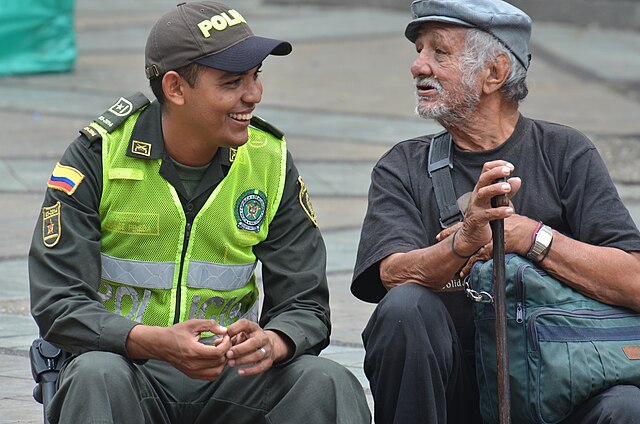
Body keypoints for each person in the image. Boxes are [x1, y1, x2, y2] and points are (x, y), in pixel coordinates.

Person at [29, 2, 371, 423]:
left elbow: (306, 304)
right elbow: (58, 303)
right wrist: (153, 341)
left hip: (231, 376)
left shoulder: (269, 160)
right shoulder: (98, 156)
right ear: (175, 88)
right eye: (232, 82)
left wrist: (274, 341)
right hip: (128, 368)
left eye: (256, 76)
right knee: (93, 373)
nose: (254, 95)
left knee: (327, 382)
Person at [351, 0, 640, 423]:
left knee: (626, 407)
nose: (418, 66)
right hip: (451, 395)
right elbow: (390, 274)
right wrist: (461, 242)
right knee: (405, 308)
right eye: (419, 51)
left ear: (495, 73)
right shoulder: (403, 166)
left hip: (554, 386)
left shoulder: (565, 153)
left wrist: (531, 238)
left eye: (439, 51)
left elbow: (633, 280)